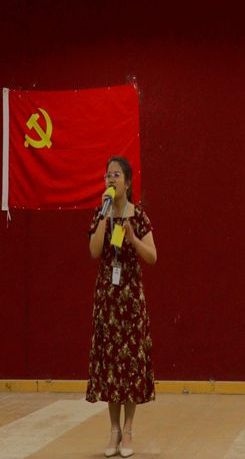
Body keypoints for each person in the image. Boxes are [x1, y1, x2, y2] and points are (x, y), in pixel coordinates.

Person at [86, 156, 157, 458]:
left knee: (129, 368)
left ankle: (128, 429)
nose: (111, 179)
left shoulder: (138, 216)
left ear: (127, 182)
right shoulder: (100, 213)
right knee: (111, 367)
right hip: (108, 300)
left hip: (130, 301)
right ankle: (113, 429)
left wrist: (132, 238)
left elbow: (152, 256)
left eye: (116, 175)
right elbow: (94, 252)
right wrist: (104, 218)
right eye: (107, 175)